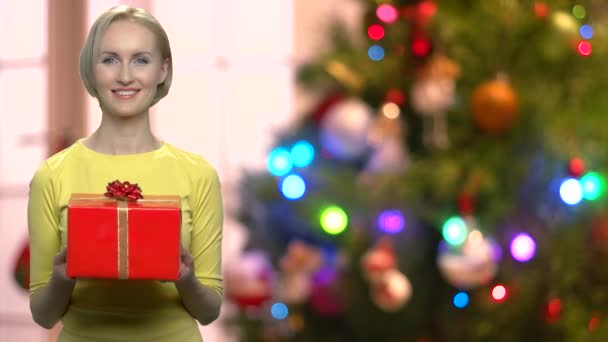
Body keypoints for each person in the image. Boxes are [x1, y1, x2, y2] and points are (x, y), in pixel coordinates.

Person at [27, 5, 223, 341]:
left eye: (141, 60)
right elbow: (43, 315)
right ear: (91, 69)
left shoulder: (199, 174)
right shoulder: (52, 175)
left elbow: (209, 311)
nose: (125, 76)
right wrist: (61, 277)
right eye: (110, 59)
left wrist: (186, 278)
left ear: (162, 70)